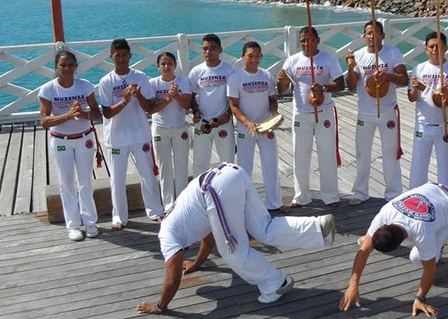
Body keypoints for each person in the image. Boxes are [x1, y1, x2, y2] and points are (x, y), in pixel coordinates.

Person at [135, 163, 336, 314]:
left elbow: (173, 278)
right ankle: (318, 227)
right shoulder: (180, 219)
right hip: (232, 172)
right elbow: (210, 236)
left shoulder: (166, 236)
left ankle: (277, 282)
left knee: (234, 250)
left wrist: (161, 306)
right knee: (263, 227)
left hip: (215, 188)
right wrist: (197, 263)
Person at [339, 182, 448, 317]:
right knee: (368, 243)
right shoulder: (386, 212)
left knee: (418, 259)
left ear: (397, 247)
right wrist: (353, 285)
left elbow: (430, 269)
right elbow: (363, 251)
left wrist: (420, 299)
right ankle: (433, 249)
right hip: (431, 188)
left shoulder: (422, 232)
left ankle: (438, 248)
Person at [97, 38, 164, 229]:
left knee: (148, 175)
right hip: (116, 137)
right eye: (117, 55)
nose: (121, 59)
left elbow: (150, 107)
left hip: (140, 134)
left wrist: (138, 95)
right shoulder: (106, 81)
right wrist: (125, 100)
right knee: (117, 179)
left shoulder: (141, 77)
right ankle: (119, 217)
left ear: (130, 56)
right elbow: (107, 112)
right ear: (111, 56)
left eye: (124, 55)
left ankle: (156, 211)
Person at [277, 26, 345, 207]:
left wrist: (324, 88)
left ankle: (330, 197)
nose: (307, 43)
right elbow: (282, 91)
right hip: (301, 114)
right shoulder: (292, 61)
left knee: (327, 154)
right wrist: (282, 80)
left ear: (317, 40)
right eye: (303, 41)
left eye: (310, 40)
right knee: (300, 155)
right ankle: (301, 196)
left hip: (324, 112)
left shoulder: (328, 58)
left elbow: (340, 84)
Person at [38, 51, 102, 241]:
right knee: (66, 183)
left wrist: (82, 114)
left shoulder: (85, 86)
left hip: (84, 138)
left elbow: (97, 114)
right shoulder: (47, 90)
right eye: (63, 65)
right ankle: (73, 225)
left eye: (71, 65)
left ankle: (90, 222)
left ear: (76, 66)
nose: (67, 69)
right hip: (60, 140)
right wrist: (67, 115)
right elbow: (44, 121)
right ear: (56, 67)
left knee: (85, 183)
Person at [345, 21, 408, 205]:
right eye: (368, 33)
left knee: (390, 153)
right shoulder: (358, 56)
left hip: (388, 111)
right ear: (364, 37)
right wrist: (350, 68)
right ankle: (360, 192)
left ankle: (394, 193)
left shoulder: (393, 53)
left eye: (375, 33)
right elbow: (350, 86)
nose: (372, 36)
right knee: (362, 153)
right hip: (365, 113)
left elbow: (404, 79)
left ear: (382, 35)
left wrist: (388, 76)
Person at [228, 42, 286, 211]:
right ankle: (245, 204)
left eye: (257, 56)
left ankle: (274, 203)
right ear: (243, 56)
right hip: (246, 128)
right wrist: (247, 122)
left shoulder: (266, 75)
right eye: (250, 55)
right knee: (245, 166)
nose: (254, 59)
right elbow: (233, 106)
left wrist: (273, 116)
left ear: (261, 56)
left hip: (266, 126)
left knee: (271, 164)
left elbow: (272, 100)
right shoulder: (235, 78)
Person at [407, 31, 448, 192]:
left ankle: (447, 202)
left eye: (438, 46)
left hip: (445, 125)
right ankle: (415, 197)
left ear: (446, 48)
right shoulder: (418, 69)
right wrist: (415, 88)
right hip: (423, 125)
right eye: (431, 46)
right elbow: (412, 98)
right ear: (426, 49)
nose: (435, 50)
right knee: (418, 165)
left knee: (445, 167)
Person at [149, 52, 192, 210]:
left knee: (181, 165)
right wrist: (168, 98)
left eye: (170, 63)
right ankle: (168, 204)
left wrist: (177, 95)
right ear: (158, 66)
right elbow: (151, 108)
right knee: (164, 166)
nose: (167, 67)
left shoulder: (183, 81)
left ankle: (181, 202)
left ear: (175, 65)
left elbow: (186, 105)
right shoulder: (153, 83)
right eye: (163, 64)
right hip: (160, 129)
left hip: (180, 128)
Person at [188, 33, 236, 177]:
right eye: (205, 48)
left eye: (212, 48)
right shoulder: (196, 71)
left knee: (228, 163)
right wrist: (195, 111)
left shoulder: (229, 70)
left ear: (220, 50)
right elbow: (191, 95)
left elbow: (234, 97)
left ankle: (227, 195)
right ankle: (200, 196)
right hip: (202, 124)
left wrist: (227, 114)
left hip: (223, 122)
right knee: (199, 164)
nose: (208, 52)